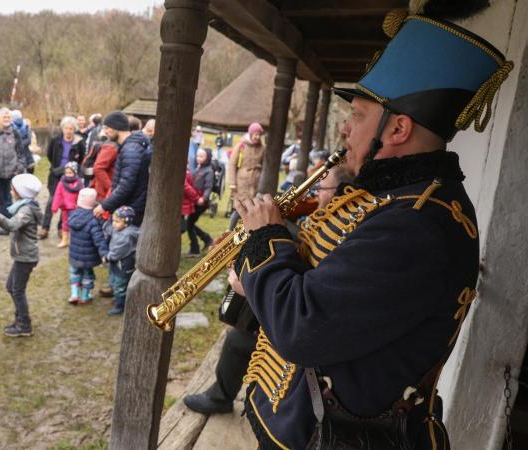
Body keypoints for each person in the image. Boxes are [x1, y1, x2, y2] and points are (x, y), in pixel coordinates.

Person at [228, 6, 512, 448]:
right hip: (302, 419)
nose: (346, 130)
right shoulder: (400, 199)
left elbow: (304, 327)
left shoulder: (419, 223)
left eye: (358, 116)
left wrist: (266, 241)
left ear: (398, 128)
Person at [183, 165, 350, 416]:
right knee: (240, 330)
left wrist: (250, 275)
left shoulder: (339, 230)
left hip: (306, 332)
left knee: (238, 339)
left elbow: (303, 274)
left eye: (320, 188)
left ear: (341, 192)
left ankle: (221, 398)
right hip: (295, 316)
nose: (314, 195)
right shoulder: (324, 217)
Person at [0, 173, 44, 337]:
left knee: (17, 290)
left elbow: (12, 225)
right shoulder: (22, 206)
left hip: (26, 257)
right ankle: (20, 319)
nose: (10, 191)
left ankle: (24, 325)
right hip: (21, 256)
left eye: (12, 189)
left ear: (20, 192)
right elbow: (9, 228)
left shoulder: (25, 210)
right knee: (11, 287)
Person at [93, 111, 152, 225]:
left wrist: (104, 205)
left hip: (131, 211)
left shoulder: (131, 150)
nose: (105, 132)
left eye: (107, 128)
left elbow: (126, 185)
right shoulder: (129, 146)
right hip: (129, 207)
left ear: (116, 127)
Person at [39, 116, 85, 239]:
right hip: (55, 175)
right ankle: (45, 228)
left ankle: (61, 228)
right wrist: (57, 169)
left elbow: (81, 159)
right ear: (62, 128)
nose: (68, 131)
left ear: (74, 129)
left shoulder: (79, 142)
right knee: (51, 201)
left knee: (66, 203)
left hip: (70, 176)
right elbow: (49, 155)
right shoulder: (55, 140)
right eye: (66, 128)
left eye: (71, 128)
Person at [0, 107, 27, 217]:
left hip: (11, 173)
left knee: (8, 199)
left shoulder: (15, 133)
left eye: (8, 117)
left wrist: (18, 168)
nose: (6, 119)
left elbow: (21, 153)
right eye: (4, 117)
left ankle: (8, 223)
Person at [67, 188, 108, 305]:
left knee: (74, 273)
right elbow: (99, 239)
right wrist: (104, 253)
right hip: (88, 257)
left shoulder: (73, 216)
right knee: (87, 275)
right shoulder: (93, 220)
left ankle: (74, 294)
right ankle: (85, 296)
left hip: (74, 255)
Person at [227, 122, 265, 229]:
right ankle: (230, 230)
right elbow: (232, 164)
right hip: (242, 181)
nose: (257, 137)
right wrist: (233, 184)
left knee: (253, 207)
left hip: (256, 182)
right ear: (251, 134)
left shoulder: (262, 148)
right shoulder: (241, 146)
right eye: (255, 134)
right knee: (240, 207)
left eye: (259, 134)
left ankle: (248, 230)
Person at [104, 206, 139, 316]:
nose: (114, 224)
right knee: (114, 281)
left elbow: (117, 252)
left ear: (126, 222)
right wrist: (107, 220)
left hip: (123, 265)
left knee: (120, 285)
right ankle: (118, 298)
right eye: (113, 220)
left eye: (117, 221)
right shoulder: (119, 228)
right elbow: (108, 228)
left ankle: (120, 305)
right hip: (117, 264)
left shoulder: (126, 235)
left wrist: (108, 257)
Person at [184, 148, 214, 256]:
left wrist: (204, 198)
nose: (199, 158)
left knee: (189, 224)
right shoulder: (198, 168)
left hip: (201, 202)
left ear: (207, 158)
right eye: (198, 156)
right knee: (189, 224)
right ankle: (207, 239)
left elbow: (208, 187)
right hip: (195, 200)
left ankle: (195, 248)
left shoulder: (209, 171)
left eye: (202, 156)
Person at [50, 162, 83, 248]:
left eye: (70, 173)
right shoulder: (61, 183)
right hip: (65, 208)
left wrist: (80, 205)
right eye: (66, 173)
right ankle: (65, 240)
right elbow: (58, 195)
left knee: (76, 224)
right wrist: (55, 207)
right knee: (65, 224)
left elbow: (82, 195)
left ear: (75, 173)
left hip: (76, 208)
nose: (68, 175)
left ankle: (75, 241)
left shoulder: (79, 183)